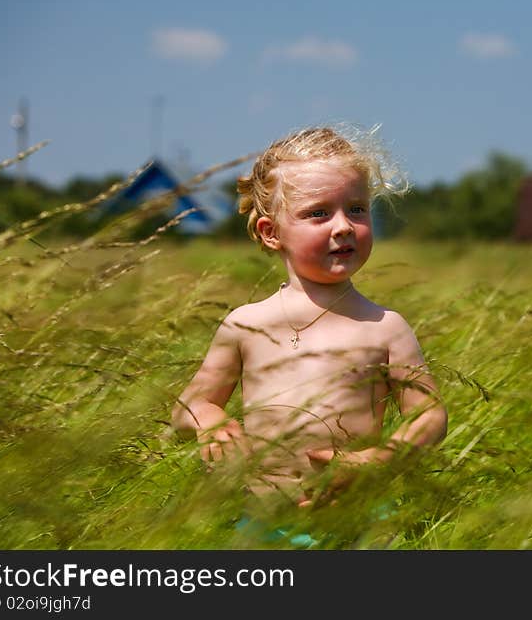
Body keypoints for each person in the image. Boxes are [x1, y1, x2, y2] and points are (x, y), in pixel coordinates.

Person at [171, 125, 448, 528]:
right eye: (318, 213)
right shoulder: (245, 324)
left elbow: (430, 416)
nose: (343, 226)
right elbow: (188, 406)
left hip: (356, 517)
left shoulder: (384, 327)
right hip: (261, 520)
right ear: (271, 233)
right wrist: (209, 421)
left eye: (356, 209)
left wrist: (382, 458)